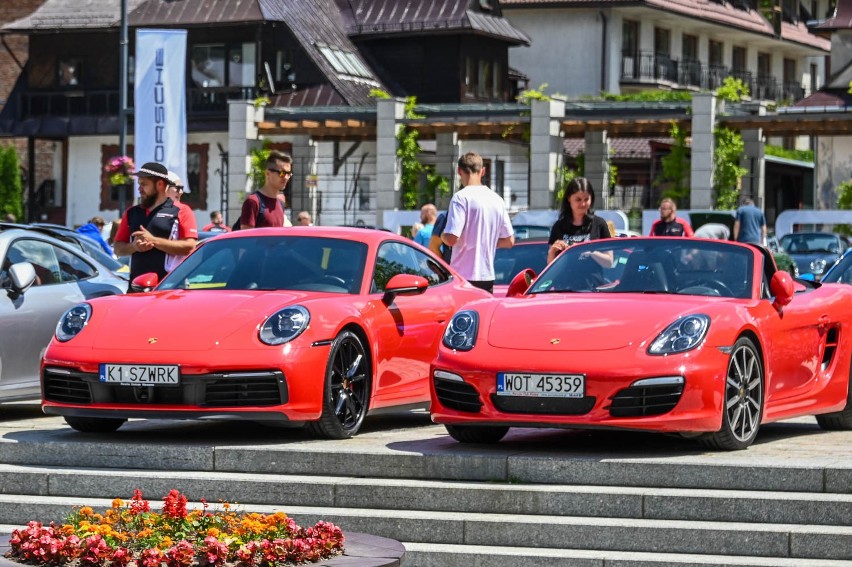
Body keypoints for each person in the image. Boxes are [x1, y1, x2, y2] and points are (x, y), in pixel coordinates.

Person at [112, 162, 198, 290]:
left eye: (144, 184)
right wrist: (134, 247)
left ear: (160, 184)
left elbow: (189, 246)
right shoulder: (131, 212)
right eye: (139, 184)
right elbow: (118, 248)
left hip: (171, 289)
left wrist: (154, 241)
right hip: (136, 288)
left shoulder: (182, 210)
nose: (139, 188)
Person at [441, 152, 514, 294]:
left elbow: (451, 239)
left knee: (462, 316)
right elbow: (509, 241)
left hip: (462, 276)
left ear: (459, 171)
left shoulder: (460, 198)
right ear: (483, 171)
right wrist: (487, 240)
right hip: (487, 276)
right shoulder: (497, 199)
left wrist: (443, 235)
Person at [547, 177, 612, 265]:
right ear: (569, 198)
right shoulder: (558, 226)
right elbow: (550, 266)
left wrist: (589, 251)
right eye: (578, 199)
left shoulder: (599, 224)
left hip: (591, 278)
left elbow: (609, 262)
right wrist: (552, 251)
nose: (583, 204)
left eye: (586, 199)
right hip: (566, 278)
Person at [239, 150, 293, 229]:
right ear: (268, 173)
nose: (286, 178)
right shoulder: (253, 202)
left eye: (288, 174)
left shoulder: (280, 204)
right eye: (282, 173)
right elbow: (246, 239)